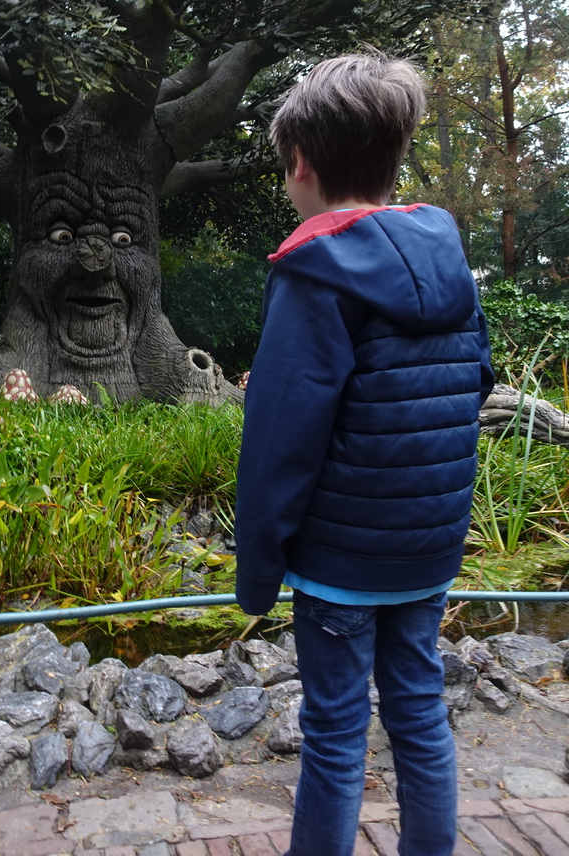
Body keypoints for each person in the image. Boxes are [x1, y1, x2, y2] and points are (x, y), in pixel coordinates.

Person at [234, 50, 494, 856]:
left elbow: (281, 438)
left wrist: (257, 572)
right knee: (419, 709)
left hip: (341, 561)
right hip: (427, 549)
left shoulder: (315, 273)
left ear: (301, 163)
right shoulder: (452, 262)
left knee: (338, 733)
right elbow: (476, 382)